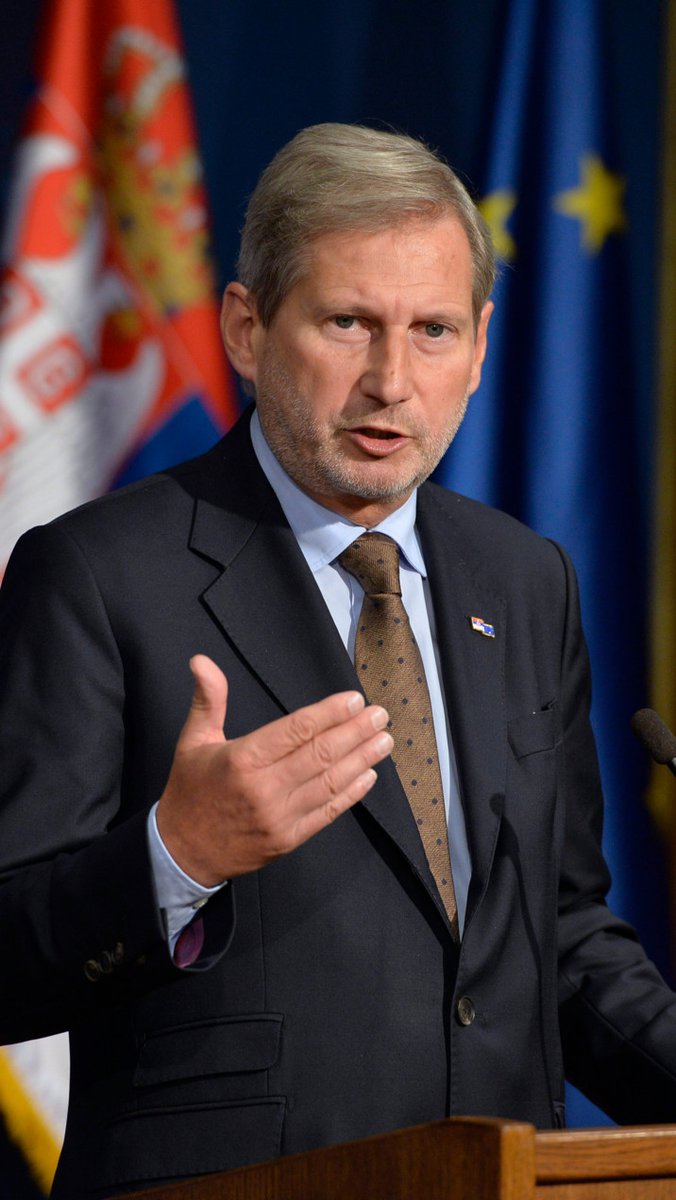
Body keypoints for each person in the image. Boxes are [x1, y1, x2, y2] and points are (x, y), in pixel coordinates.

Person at [1, 122, 676, 1199]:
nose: (390, 381)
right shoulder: (96, 575)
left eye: (433, 330)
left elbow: (559, 934)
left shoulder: (523, 579)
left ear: (481, 346)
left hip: (499, 1178)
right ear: (247, 327)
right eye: (348, 323)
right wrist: (176, 856)